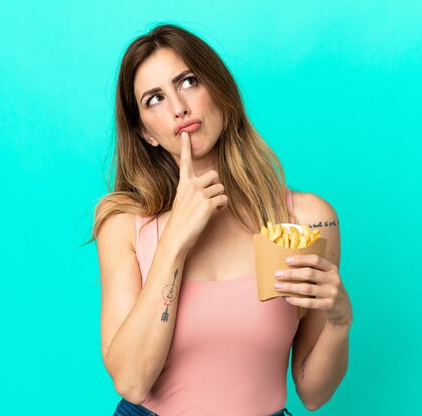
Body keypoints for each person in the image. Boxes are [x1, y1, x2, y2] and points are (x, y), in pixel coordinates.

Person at [90, 23, 353, 416]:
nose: (178, 106)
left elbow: (313, 394)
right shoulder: (125, 224)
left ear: (221, 92)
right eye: (155, 98)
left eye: (189, 81)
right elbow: (131, 381)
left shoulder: (308, 220)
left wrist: (340, 321)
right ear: (145, 133)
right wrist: (175, 239)